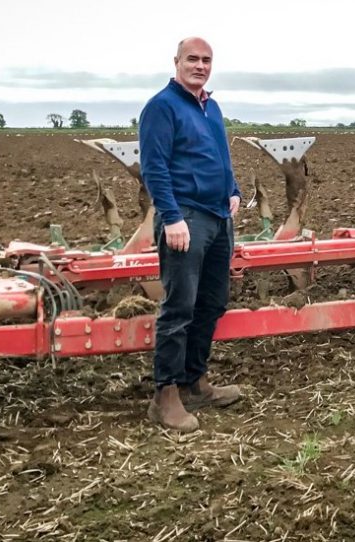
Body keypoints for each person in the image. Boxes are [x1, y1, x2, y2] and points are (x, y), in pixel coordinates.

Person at [139, 37, 242, 431]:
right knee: (179, 307)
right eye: (192, 59)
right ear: (177, 62)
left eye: (206, 60)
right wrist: (171, 217)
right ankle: (165, 396)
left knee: (212, 302)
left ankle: (195, 381)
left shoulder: (211, 107)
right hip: (185, 219)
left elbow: (221, 155)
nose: (200, 66)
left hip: (218, 218)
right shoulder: (161, 107)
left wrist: (233, 191)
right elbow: (154, 167)